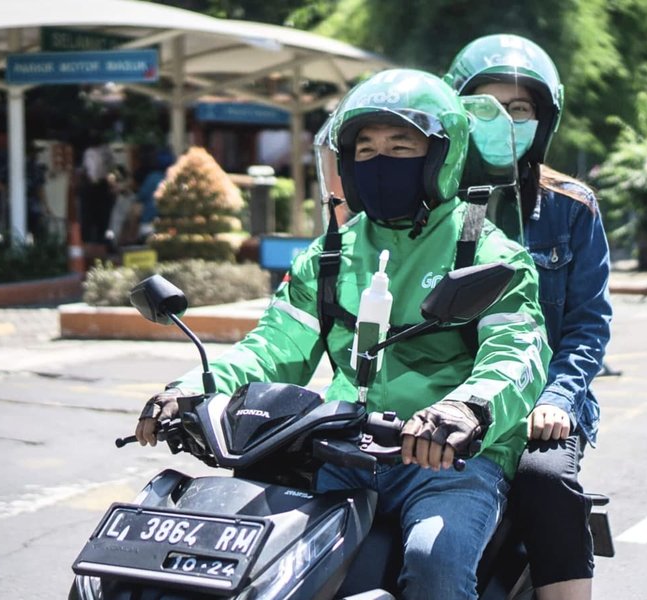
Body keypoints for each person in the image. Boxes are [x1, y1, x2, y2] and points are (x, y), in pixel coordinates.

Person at [135, 68, 552, 600]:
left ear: (443, 157)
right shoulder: (328, 257)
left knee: (433, 562)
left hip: (449, 462)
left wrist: (465, 410)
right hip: (341, 452)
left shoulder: (491, 255)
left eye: (402, 146)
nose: (381, 162)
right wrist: (192, 387)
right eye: (366, 150)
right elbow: (274, 347)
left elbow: (516, 355)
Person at [445, 34, 613, 600]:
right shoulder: (430, 205)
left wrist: (557, 400)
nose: (504, 121)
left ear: (543, 121)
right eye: (485, 107)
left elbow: (588, 323)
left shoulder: (571, 207)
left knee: (545, 483)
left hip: (540, 403)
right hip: (443, 398)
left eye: (520, 110)